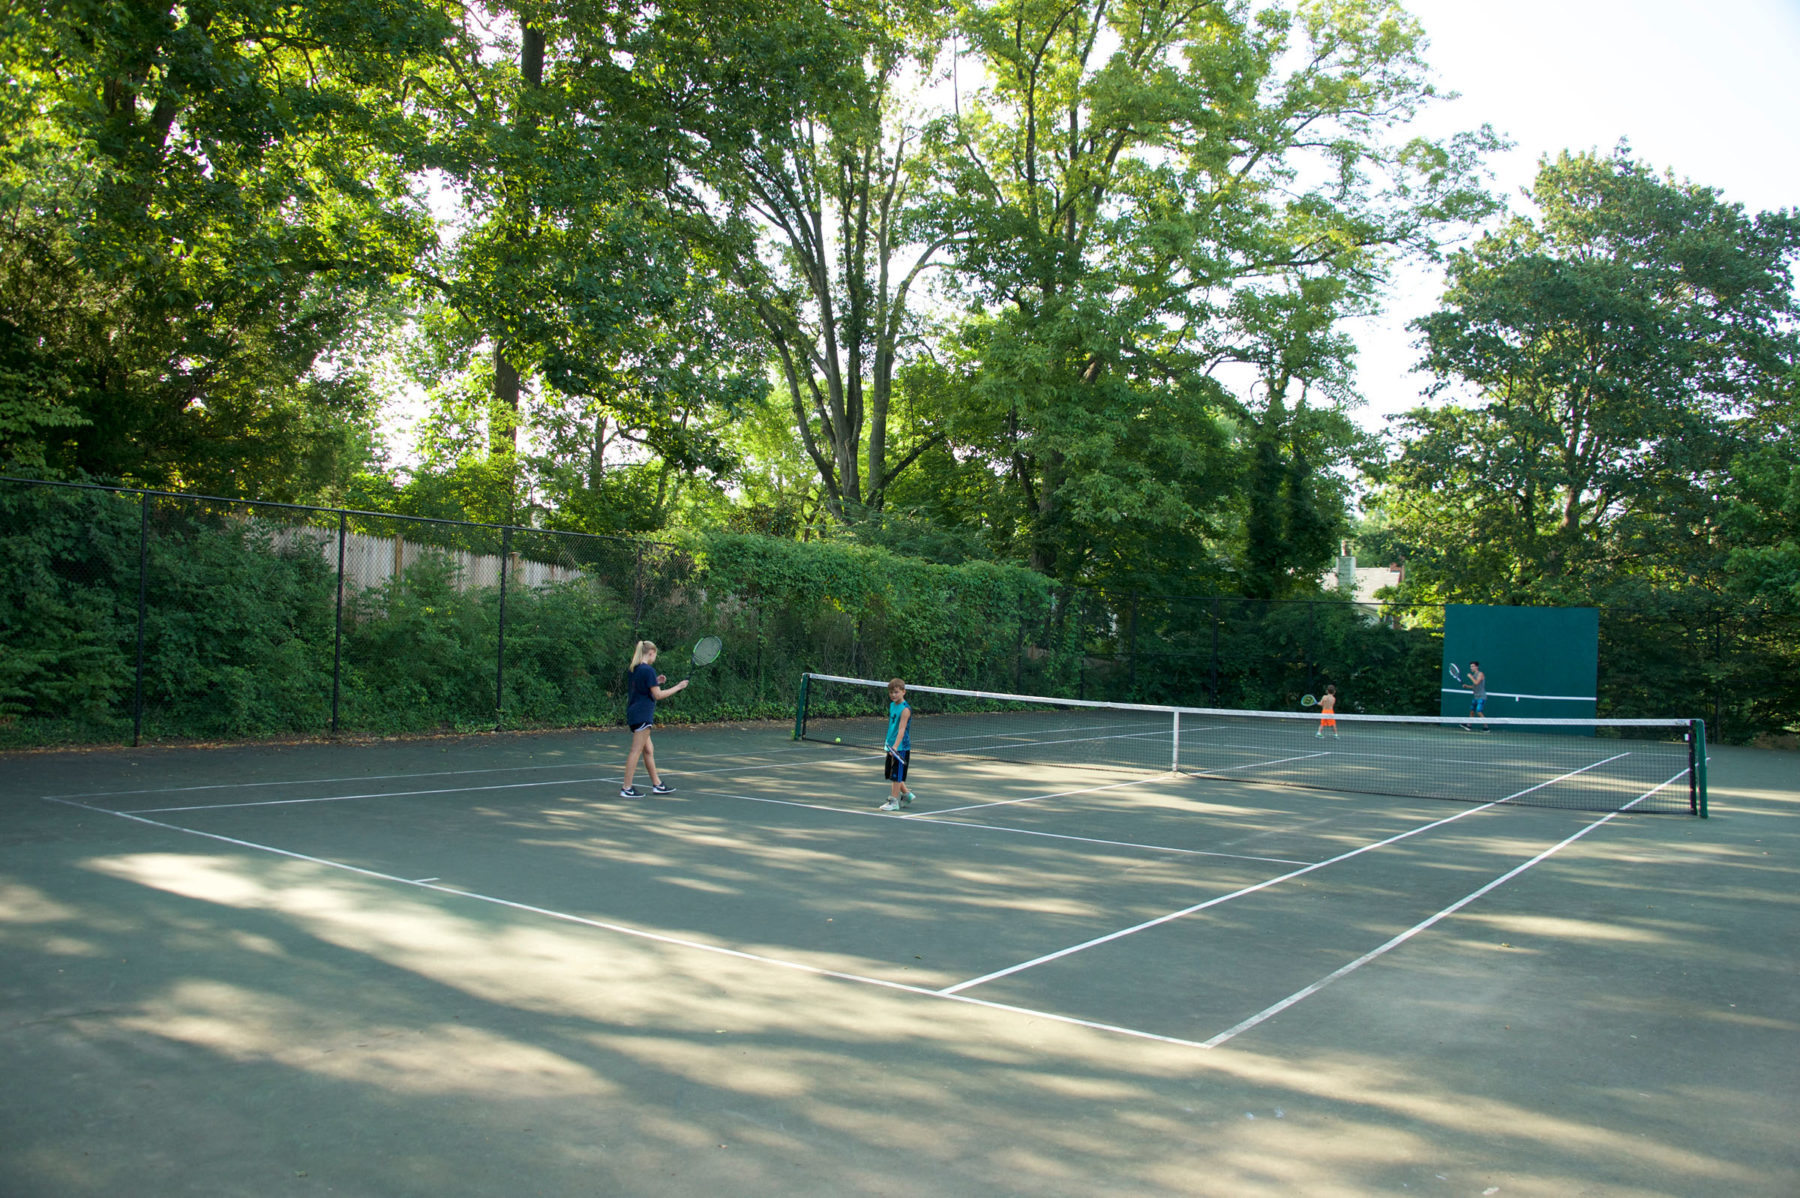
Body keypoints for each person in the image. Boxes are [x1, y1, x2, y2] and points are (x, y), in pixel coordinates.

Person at [620, 640, 688, 797]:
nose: (655, 658)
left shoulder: (634, 669)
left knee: (648, 750)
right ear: (651, 653)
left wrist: (655, 682)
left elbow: (642, 688)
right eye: (655, 655)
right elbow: (657, 695)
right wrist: (678, 687)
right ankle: (626, 788)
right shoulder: (648, 670)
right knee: (636, 751)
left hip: (634, 713)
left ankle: (657, 784)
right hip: (642, 714)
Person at [877, 677, 915, 812]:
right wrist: (889, 743)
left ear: (903, 692)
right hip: (891, 744)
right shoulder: (892, 705)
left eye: (896, 692)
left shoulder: (905, 710)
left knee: (896, 775)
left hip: (900, 747)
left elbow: (901, 730)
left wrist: (895, 746)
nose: (893, 695)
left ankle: (893, 802)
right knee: (894, 773)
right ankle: (907, 794)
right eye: (891, 692)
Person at [1463, 660, 1488, 731]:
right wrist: (1467, 686)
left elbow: (1476, 683)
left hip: (1481, 696)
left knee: (1479, 711)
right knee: (1472, 711)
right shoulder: (1474, 675)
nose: (1471, 668)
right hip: (1475, 696)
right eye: (1470, 666)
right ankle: (1469, 725)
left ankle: (1486, 727)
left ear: (1477, 667)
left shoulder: (1480, 674)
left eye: (1472, 666)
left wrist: (1470, 677)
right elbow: (1474, 686)